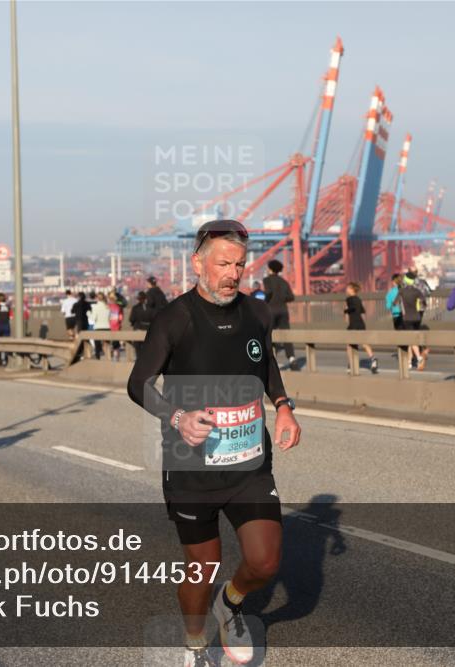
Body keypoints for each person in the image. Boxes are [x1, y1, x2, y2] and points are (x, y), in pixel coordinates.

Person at [127, 219, 301, 667]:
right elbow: (139, 383)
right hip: (191, 465)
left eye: (240, 264)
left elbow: (265, 367)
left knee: (264, 562)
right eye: (223, 263)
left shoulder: (257, 314)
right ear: (198, 264)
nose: (232, 273)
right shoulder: (175, 318)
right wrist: (177, 417)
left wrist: (282, 405)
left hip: (249, 465)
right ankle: (193, 644)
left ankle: (232, 604)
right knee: (201, 568)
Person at [263, 259, 298, 370]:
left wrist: (264, 302)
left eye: (268, 267)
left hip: (271, 311)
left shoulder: (267, 280)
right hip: (283, 311)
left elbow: (268, 293)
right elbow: (291, 297)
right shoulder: (284, 282)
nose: (267, 269)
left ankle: (271, 361)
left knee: (269, 335)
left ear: (271, 269)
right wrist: (282, 298)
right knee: (286, 335)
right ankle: (292, 358)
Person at [344, 282, 378, 374]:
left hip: (353, 324)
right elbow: (363, 312)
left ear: (351, 289)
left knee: (349, 345)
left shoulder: (349, 299)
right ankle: (373, 359)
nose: (346, 290)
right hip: (361, 324)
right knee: (364, 343)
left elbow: (349, 311)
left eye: (347, 288)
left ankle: (351, 365)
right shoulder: (359, 299)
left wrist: (345, 311)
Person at [396, 274, 428, 370]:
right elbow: (424, 300)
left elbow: (396, 302)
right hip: (417, 316)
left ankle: (418, 357)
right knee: (411, 339)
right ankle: (409, 361)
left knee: (410, 339)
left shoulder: (402, 290)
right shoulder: (419, 287)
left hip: (407, 317)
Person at [89, 292, 111, 359]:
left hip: (98, 328)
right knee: (106, 345)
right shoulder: (107, 307)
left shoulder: (96, 307)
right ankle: (108, 359)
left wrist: (88, 313)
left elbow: (93, 318)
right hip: (107, 327)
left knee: (97, 346)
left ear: (97, 298)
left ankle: (98, 359)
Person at [108, 290, 124, 361]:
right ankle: (117, 358)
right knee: (116, 344)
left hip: (109, 327)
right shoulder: (118, 307)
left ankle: (109, 357)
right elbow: (121, 318)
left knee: (108, 343)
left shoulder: (108, 307)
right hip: (117, 326)